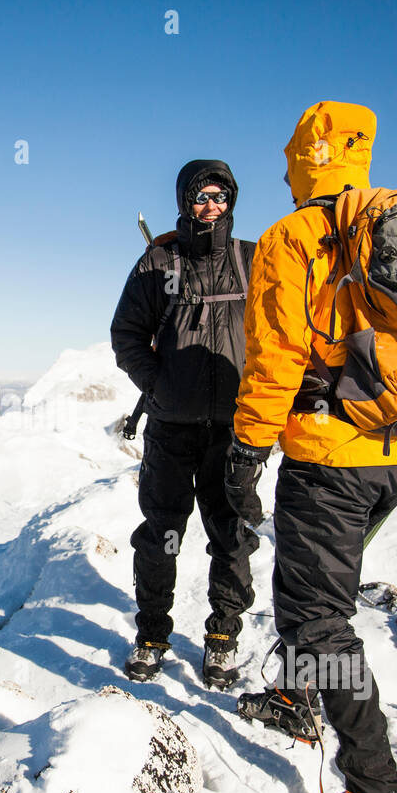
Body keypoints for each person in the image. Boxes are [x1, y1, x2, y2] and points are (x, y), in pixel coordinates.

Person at [226, 102, 397, 793]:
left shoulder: (293, 237)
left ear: (299, 159)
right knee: (307, 588)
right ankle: (295, 696)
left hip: (333, 455)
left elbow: (276, 355)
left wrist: (248, 446)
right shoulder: (396, 226)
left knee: (321, 619)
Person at [110, 159, 261, 689]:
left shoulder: (253, 259)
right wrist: (159, 387)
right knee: (162, 535)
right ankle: (152, 635)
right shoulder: (158, 263)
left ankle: (222, 637)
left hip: (234, 432)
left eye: (221, 196)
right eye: (202, 196)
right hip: (171, 427)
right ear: (185, 200)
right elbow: (127, 333)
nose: (212, 205)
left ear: (232, 202)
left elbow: (282, 332)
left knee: (231, 537)